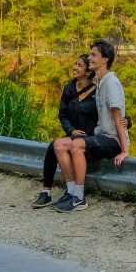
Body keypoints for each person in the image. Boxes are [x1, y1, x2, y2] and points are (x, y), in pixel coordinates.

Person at [52, 39, 130, 212]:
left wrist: (124, 150)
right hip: (99, 135)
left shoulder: (111, 83)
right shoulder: (101, 83)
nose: (90, 58)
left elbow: (118, 118)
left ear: (105, 59)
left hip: (112, 139)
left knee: (77, 144)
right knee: (60, 143)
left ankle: (79, 198)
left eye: (94, 55)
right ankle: (71, 192)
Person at [31, 55, 98, 208]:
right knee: (52, 146)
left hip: (89, 136)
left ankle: (72, 192)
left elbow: (108, 111)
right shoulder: (69, 88)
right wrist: (72, 130)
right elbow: (63, 114)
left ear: (88, 72)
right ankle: (47, 192)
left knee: (57, 145)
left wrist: (126, 119)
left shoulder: (97, 92)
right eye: (75, 64)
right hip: (72, 134)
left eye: (80, 65)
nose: (75, 67)